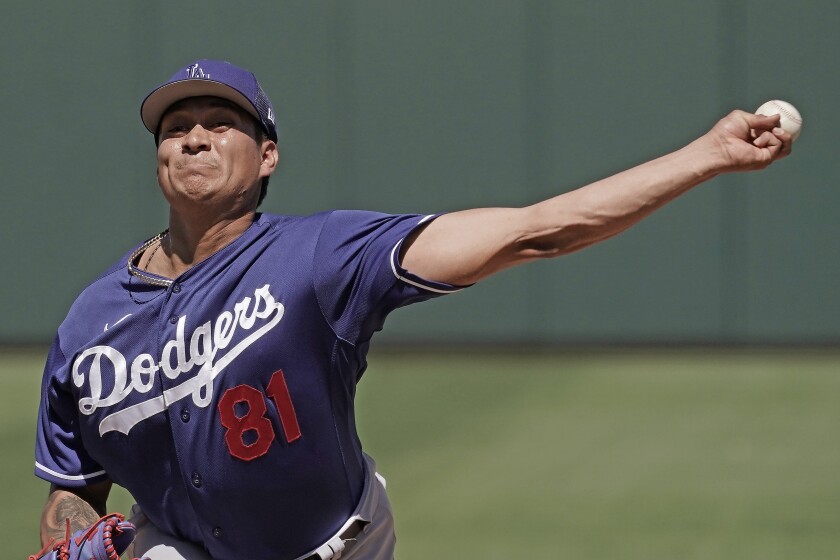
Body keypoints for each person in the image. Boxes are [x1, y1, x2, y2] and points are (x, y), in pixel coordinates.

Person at [33, 58, 792, 560]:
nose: (193, 136)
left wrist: (709, 155)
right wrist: (69, 530)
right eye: (175, 127)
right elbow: (74, 486)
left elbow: (537, 232)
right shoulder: (89, 323)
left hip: (336, 544)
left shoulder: (322, 258)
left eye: (220, 122)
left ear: (267, 156)